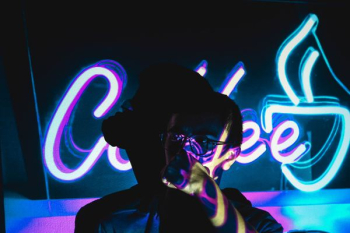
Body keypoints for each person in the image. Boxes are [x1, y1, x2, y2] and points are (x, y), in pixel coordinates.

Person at [75, 63, 283, 233]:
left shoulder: (258, 224)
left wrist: (205, 192)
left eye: (204, 143)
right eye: (176, 137)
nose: (185, 152)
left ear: (230, 157)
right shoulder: (110, 221)